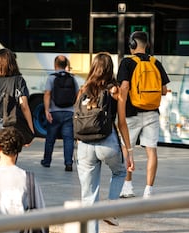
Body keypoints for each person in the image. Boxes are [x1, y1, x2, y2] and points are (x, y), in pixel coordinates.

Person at [76, 52, 134, 233]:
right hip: (107, 142)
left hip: (84, 144)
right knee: (120, 172)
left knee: (88, 197)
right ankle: (110, 209)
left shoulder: (83, 89)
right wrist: (129, 149)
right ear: (111, 69)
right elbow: (122, 123)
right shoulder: (116, 91)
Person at [117, 31, 170, 198]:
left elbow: (124, 87)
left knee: (127, 149)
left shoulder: (127, 62)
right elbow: (163, 90)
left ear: (132, 45)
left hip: (132, 113)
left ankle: (128, 186)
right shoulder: (156, 62)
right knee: (152, 151)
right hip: (152, 113)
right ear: (147, 45)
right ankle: (148, 190)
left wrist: (121, 107)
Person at [40, 55, 79, 171]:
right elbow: (78, 93)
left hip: (54, 112)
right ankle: (68, 163)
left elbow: (47, 94)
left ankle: (47, 161)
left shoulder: (51, 78)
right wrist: (75, 108)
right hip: (69, 112)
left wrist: (47, 110)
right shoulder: (72, 78)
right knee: (68, 139)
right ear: (66, 65)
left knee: (50, 138)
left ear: (55, 65)